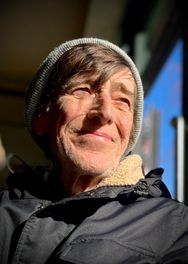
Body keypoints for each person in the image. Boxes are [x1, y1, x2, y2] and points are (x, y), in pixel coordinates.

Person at [0, 37, 188, 264]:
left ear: (128, 134)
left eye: (122, 101)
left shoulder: (174, 227)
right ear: (42, 118)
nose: (105, 112)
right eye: (82, 90)